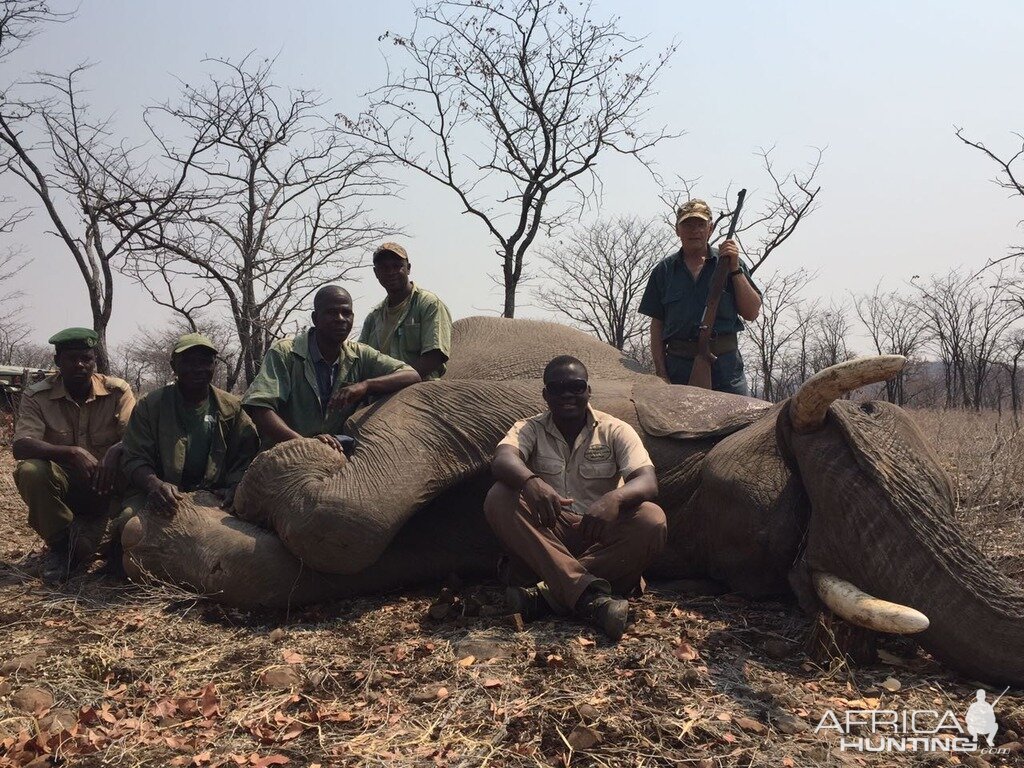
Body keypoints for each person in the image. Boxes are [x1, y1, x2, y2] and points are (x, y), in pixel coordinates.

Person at [483, 355, 666, 640]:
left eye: (576, 387)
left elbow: (647, 480)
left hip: (598, 535)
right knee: (499, 496)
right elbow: (502, 459)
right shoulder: (529, 427)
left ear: (588, 391)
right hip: (548, 533)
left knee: (652, 518)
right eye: (557, 388)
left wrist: (614, 499)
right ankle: (590, 599)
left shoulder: (615, 429)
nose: (567, 394)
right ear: (545, 394)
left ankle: (545, 594)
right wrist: (531, 483)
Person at [12, 327, 135, 582]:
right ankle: (61, 546)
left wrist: (114, 452)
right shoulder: (37, 395)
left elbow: (136, 438)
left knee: (107, 547)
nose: (80, 364)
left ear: (95, 360)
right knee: (30, 470)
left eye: (86, 358)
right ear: (57, 361)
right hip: (66, 489)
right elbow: (21, 445)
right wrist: (71, 452)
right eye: (71, 358)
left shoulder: (118, 391)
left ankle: (113, 542)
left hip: (108, 488)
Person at [242, 284, 421, 452]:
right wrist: (305, 446)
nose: (340, 319)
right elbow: (260, 410)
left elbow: (411, 375)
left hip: (334, 455)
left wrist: (365, 386)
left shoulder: (359, 353)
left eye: (346, 313)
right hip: (285, 456)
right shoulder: (285, 352)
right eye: (332, 313)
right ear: (315, 318)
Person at [119, 333, 260, 524]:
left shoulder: (232, 407)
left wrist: (235, 486)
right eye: (189, 362)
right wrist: (154, 484)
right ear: (173, 366)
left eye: (205, 362)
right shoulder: (150, 405)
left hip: (215, 494)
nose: (198, 369)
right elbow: (134, 458)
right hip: (162, 494)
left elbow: (246, 455)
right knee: (129, 521)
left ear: (214, 366)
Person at [638, 199, 762, 395]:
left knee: (741, 423)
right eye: (687, 224)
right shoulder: (664, 271)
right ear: (677, 230)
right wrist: (661, 373)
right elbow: (657, 325)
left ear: (710, 229)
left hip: (727, 370)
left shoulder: (730, 263)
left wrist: (735, 269)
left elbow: (751, 312)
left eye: (700, 224)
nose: (694, 230)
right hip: (679, 369)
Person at [359, 242, 453, 381]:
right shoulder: (374, 317)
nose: (390, 272)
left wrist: (389, 382)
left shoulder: (429, 304)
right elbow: (360, 361)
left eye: (397, 266)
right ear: (376, 273)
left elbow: (434, 357)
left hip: (420, 390)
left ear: (408, 268)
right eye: (384, 268)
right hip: (379, 394)